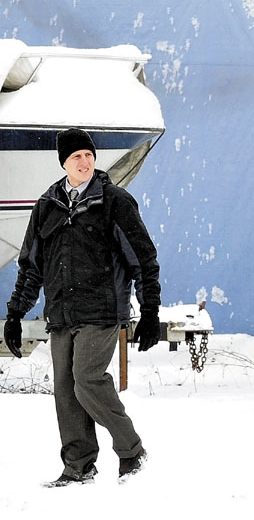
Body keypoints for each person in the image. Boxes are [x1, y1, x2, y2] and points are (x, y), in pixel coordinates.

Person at [3, 127, 162, 487]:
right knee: (65, 390)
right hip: (61, 313)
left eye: (89, 155)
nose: (85, 161)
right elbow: (31, 267)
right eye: (77, 156)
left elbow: (144, 260)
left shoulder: (114, 201)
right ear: (64, 162)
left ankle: (131, 451)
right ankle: (78, 466)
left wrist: (150, 310)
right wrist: (15, 314)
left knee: (87, 380)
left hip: (102, 310)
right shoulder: (47, 206)